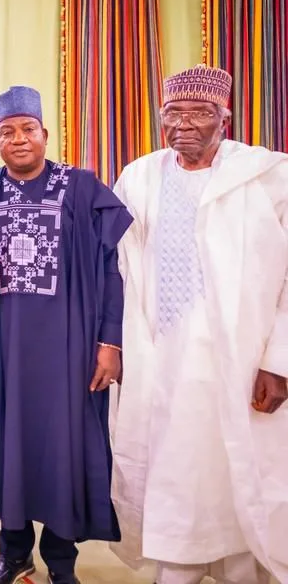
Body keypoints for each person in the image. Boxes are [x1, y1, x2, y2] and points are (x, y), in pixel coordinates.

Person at [111, 65, 288, 584]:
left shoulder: (268, 177)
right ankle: (178, 568)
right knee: (175, 471)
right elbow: (117, 270)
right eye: (173, 113)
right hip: (162, 359)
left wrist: (278, 360)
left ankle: (239, 570)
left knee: (237, 475)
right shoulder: (138, 178)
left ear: (224, 119)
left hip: (242, 360)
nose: (184, 124)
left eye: (200, 113)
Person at [0, 86, 132, 584]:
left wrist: (110, 343)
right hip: (3, 349)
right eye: (7, 132)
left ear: (45, 135)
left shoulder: (81, 188)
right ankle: (14, 551)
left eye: (28, 129)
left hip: (70, 349)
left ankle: (60, 559)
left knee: (65, 450)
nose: (18, 139)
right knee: (6, 445)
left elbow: (112, 270)